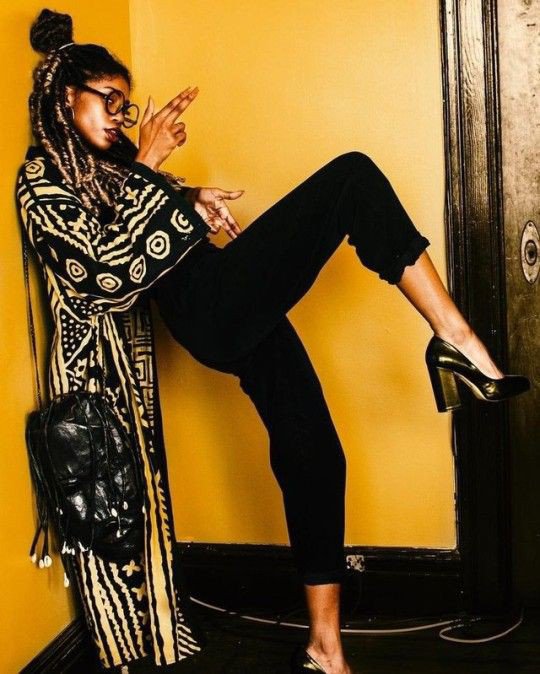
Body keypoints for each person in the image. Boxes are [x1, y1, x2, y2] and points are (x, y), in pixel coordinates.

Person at [15, 9, 530, 674]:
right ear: (66, 97)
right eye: (108, 100)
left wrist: (189, 201)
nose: (120, 116)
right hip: (208, 309)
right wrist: (151, 162)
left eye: (125, 104)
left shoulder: (112, 166)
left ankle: (325, 648)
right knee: (351, 178)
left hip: (229, 302)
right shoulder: (42, 181)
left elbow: (145, 223)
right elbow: (103, 275)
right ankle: (455, 337)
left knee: (314, 453)